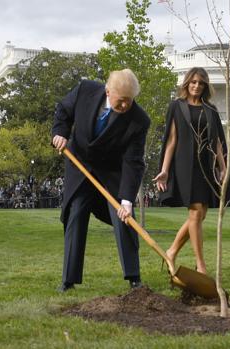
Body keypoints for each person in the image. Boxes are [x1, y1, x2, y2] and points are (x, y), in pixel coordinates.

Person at [51, 69, 150, 292]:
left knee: (124, 219)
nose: (125, 106)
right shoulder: (85, 90)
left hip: (112, 172)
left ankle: (134, 278)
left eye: (130, 101)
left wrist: (127, 199)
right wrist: (60, 133)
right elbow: (63, 111)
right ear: (108, 91)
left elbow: (133, 161)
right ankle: (69, 280)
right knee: (76, 213)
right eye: (121, 100)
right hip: (80, 165)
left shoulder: (139, 120)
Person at [153, 67, 230, 275]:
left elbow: (217, 142)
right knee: (195, 212)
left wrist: (223, 168)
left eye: (201, 83)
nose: (197, 86)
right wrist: (165, 170)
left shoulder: (210, 109)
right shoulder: (177, 106)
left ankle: (171, 251)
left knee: (200, 214)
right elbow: (171, 140)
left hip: (206, 165)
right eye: (193, 82)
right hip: (186, 165)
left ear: (205, 86)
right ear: (187, 83)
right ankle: (201, 266)